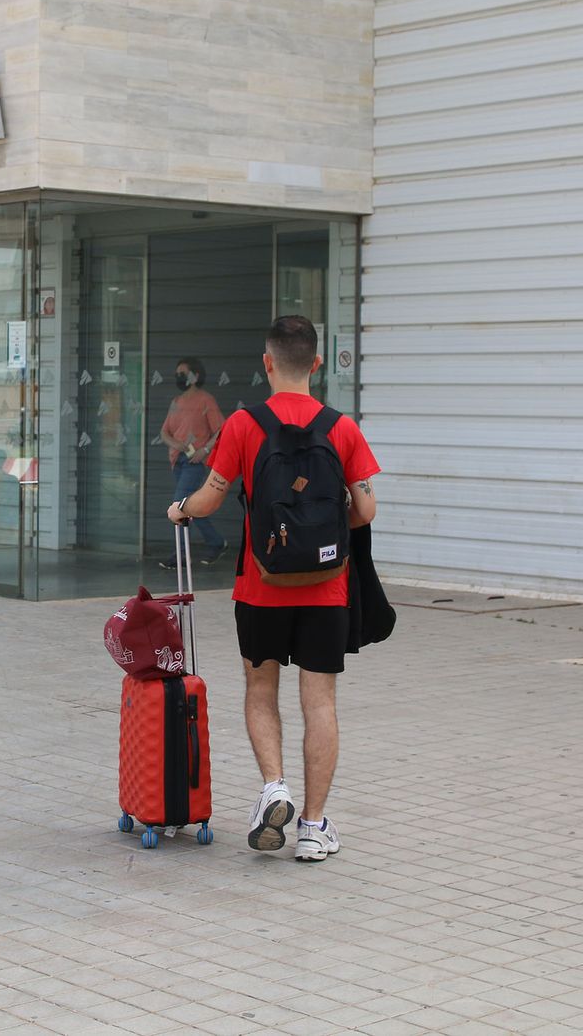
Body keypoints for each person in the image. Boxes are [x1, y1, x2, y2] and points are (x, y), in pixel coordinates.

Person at [167, 316, 379, 862]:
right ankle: (313, 828)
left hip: (260, 587)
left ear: (267, 364)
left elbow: (212, 499)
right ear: (315, 364)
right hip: (327, 589)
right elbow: (365, 509)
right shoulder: (341, 426)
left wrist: (181, 509)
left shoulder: (243, 424)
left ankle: (274, 788)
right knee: (320, 702)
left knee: (261, 690)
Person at [158, 356, 227, 567]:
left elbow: (221, 430)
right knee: (190, 506)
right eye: (177, 373)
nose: (179, 376)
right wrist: (176, 444)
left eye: (183, 372)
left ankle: (180, 554)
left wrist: (204, 449)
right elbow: (164, 432)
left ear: (195, 376)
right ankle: (216, 542)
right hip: (177, 461)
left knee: (179, 504)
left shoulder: (206, 400)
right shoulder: (176, 402)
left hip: (194, 462)